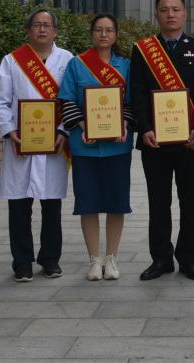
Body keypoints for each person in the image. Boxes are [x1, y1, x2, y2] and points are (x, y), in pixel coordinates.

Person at [129, 0, 194, 281]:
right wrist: (145, 128)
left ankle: (189, 257)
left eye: (176, 9)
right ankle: (161, 258)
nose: (170, 14)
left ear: (185, 14)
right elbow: (138, 92)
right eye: (164, 9)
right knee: (158, 201)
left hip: (190, 140)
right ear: (157, 15)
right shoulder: (143, 50)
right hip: (155, 140)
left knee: (190, 200)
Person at [0, 9, 73, 282]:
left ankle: (50, 259)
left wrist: (63, 130)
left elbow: (73, 100)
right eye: (37, 25)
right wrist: (9, 130)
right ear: (28, 30)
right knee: (19, 207)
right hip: (21, 143)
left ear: (55, 31)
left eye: (47, 25)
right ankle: (22, 262)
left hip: (53, 144)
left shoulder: (67, 60)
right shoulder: (12, 60)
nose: (42, 29)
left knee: (51, 207)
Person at [58, 14, 134, 282]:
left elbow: (132, 102)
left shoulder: (126, 65)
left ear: (116, 35)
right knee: (87, 203)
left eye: (109, 30)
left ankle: (111, 258)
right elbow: (66, 100)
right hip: (84, 146)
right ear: (91, 33)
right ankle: (94, 259)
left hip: (117, 148)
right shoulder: (77, 64)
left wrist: (124, 124)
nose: (103, 34)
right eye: (99, 30)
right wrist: (83, 125)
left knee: (116, 203)